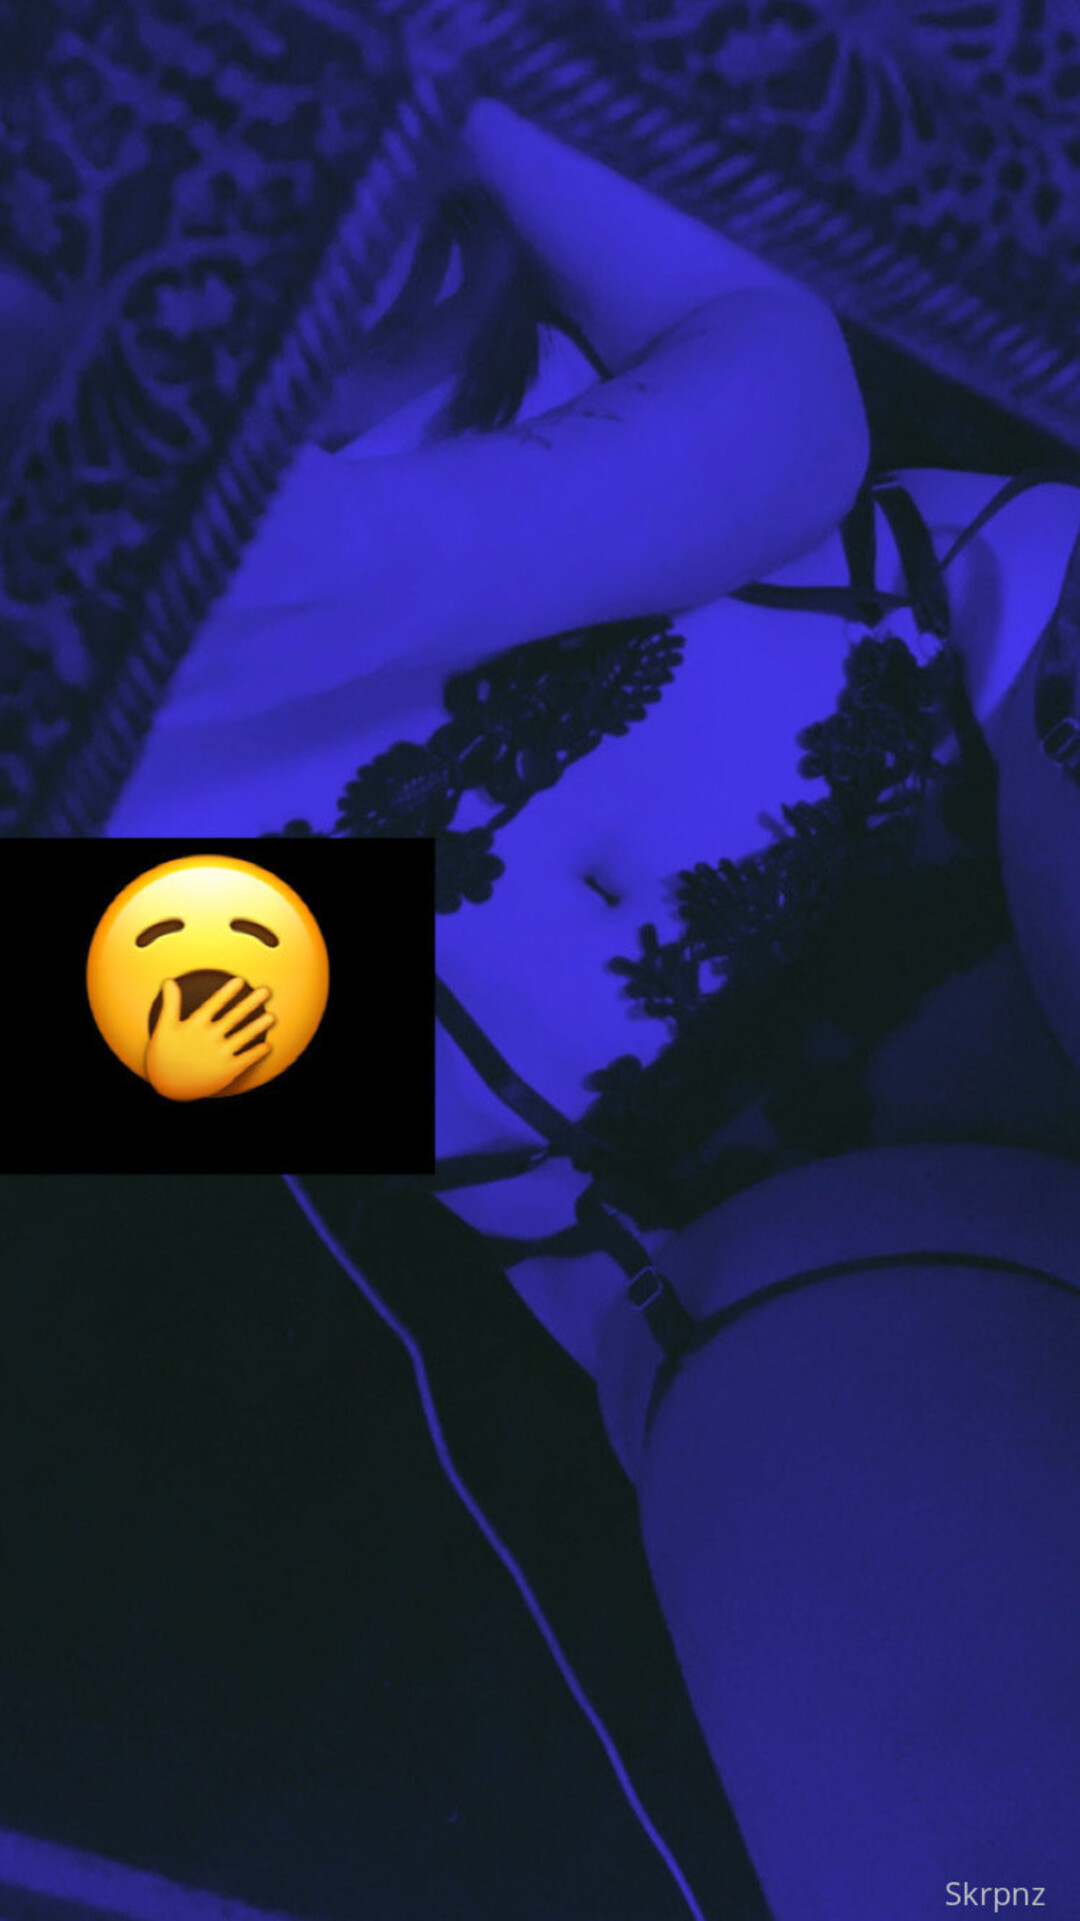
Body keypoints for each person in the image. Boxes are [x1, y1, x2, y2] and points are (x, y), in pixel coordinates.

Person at [78, 94, 1080, 1920]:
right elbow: (194, 1043)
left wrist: (360, 565)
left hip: (989, 684)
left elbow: (794, 410)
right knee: (972, 1846)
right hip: (718, 1218)